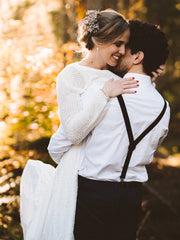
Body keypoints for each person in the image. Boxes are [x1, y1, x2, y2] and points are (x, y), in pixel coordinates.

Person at [20, 9, 140, 240]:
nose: (122, 51)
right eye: (117, 44)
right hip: (77, 176)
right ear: (98, 39)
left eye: (125, 45)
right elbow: (74, 132)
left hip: (112, 179)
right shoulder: (71, 75)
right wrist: (104, 94)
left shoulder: (120, 77)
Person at [47, 20, 170, 240]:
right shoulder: (163, 108)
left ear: (137, 57)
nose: (119, 53)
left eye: (125, 48)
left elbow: (57, 145)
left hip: (91, 193)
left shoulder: (102, 92)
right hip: (132, 196)